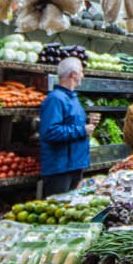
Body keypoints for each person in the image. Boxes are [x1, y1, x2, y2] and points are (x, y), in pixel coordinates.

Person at [38, 57, 93, 196]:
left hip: (74, 164)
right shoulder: (55, 99)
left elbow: (70, 124)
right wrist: (82, 130)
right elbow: (51, 131)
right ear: (73, 74)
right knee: (57, 207)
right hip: (60, 167)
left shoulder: (72, 98)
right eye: (81, 71)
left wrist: (87, 122)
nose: (83, 75)